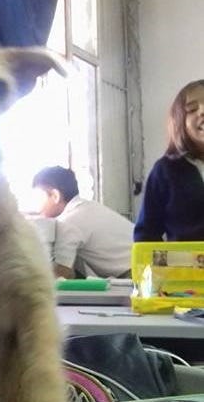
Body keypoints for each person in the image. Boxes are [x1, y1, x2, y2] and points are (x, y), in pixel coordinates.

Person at [32, 166, 134, 279]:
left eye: (38, 197)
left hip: (135, 273)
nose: (36, 206)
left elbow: (62, 274)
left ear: (55, 196)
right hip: (145, 263)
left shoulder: (69, 222)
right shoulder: (87, 207)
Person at [134, 79, 204, 241]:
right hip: (186, 266)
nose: (202, 111)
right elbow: (146, 234)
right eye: (192, 109)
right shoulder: (165, 171)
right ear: (181, 122)